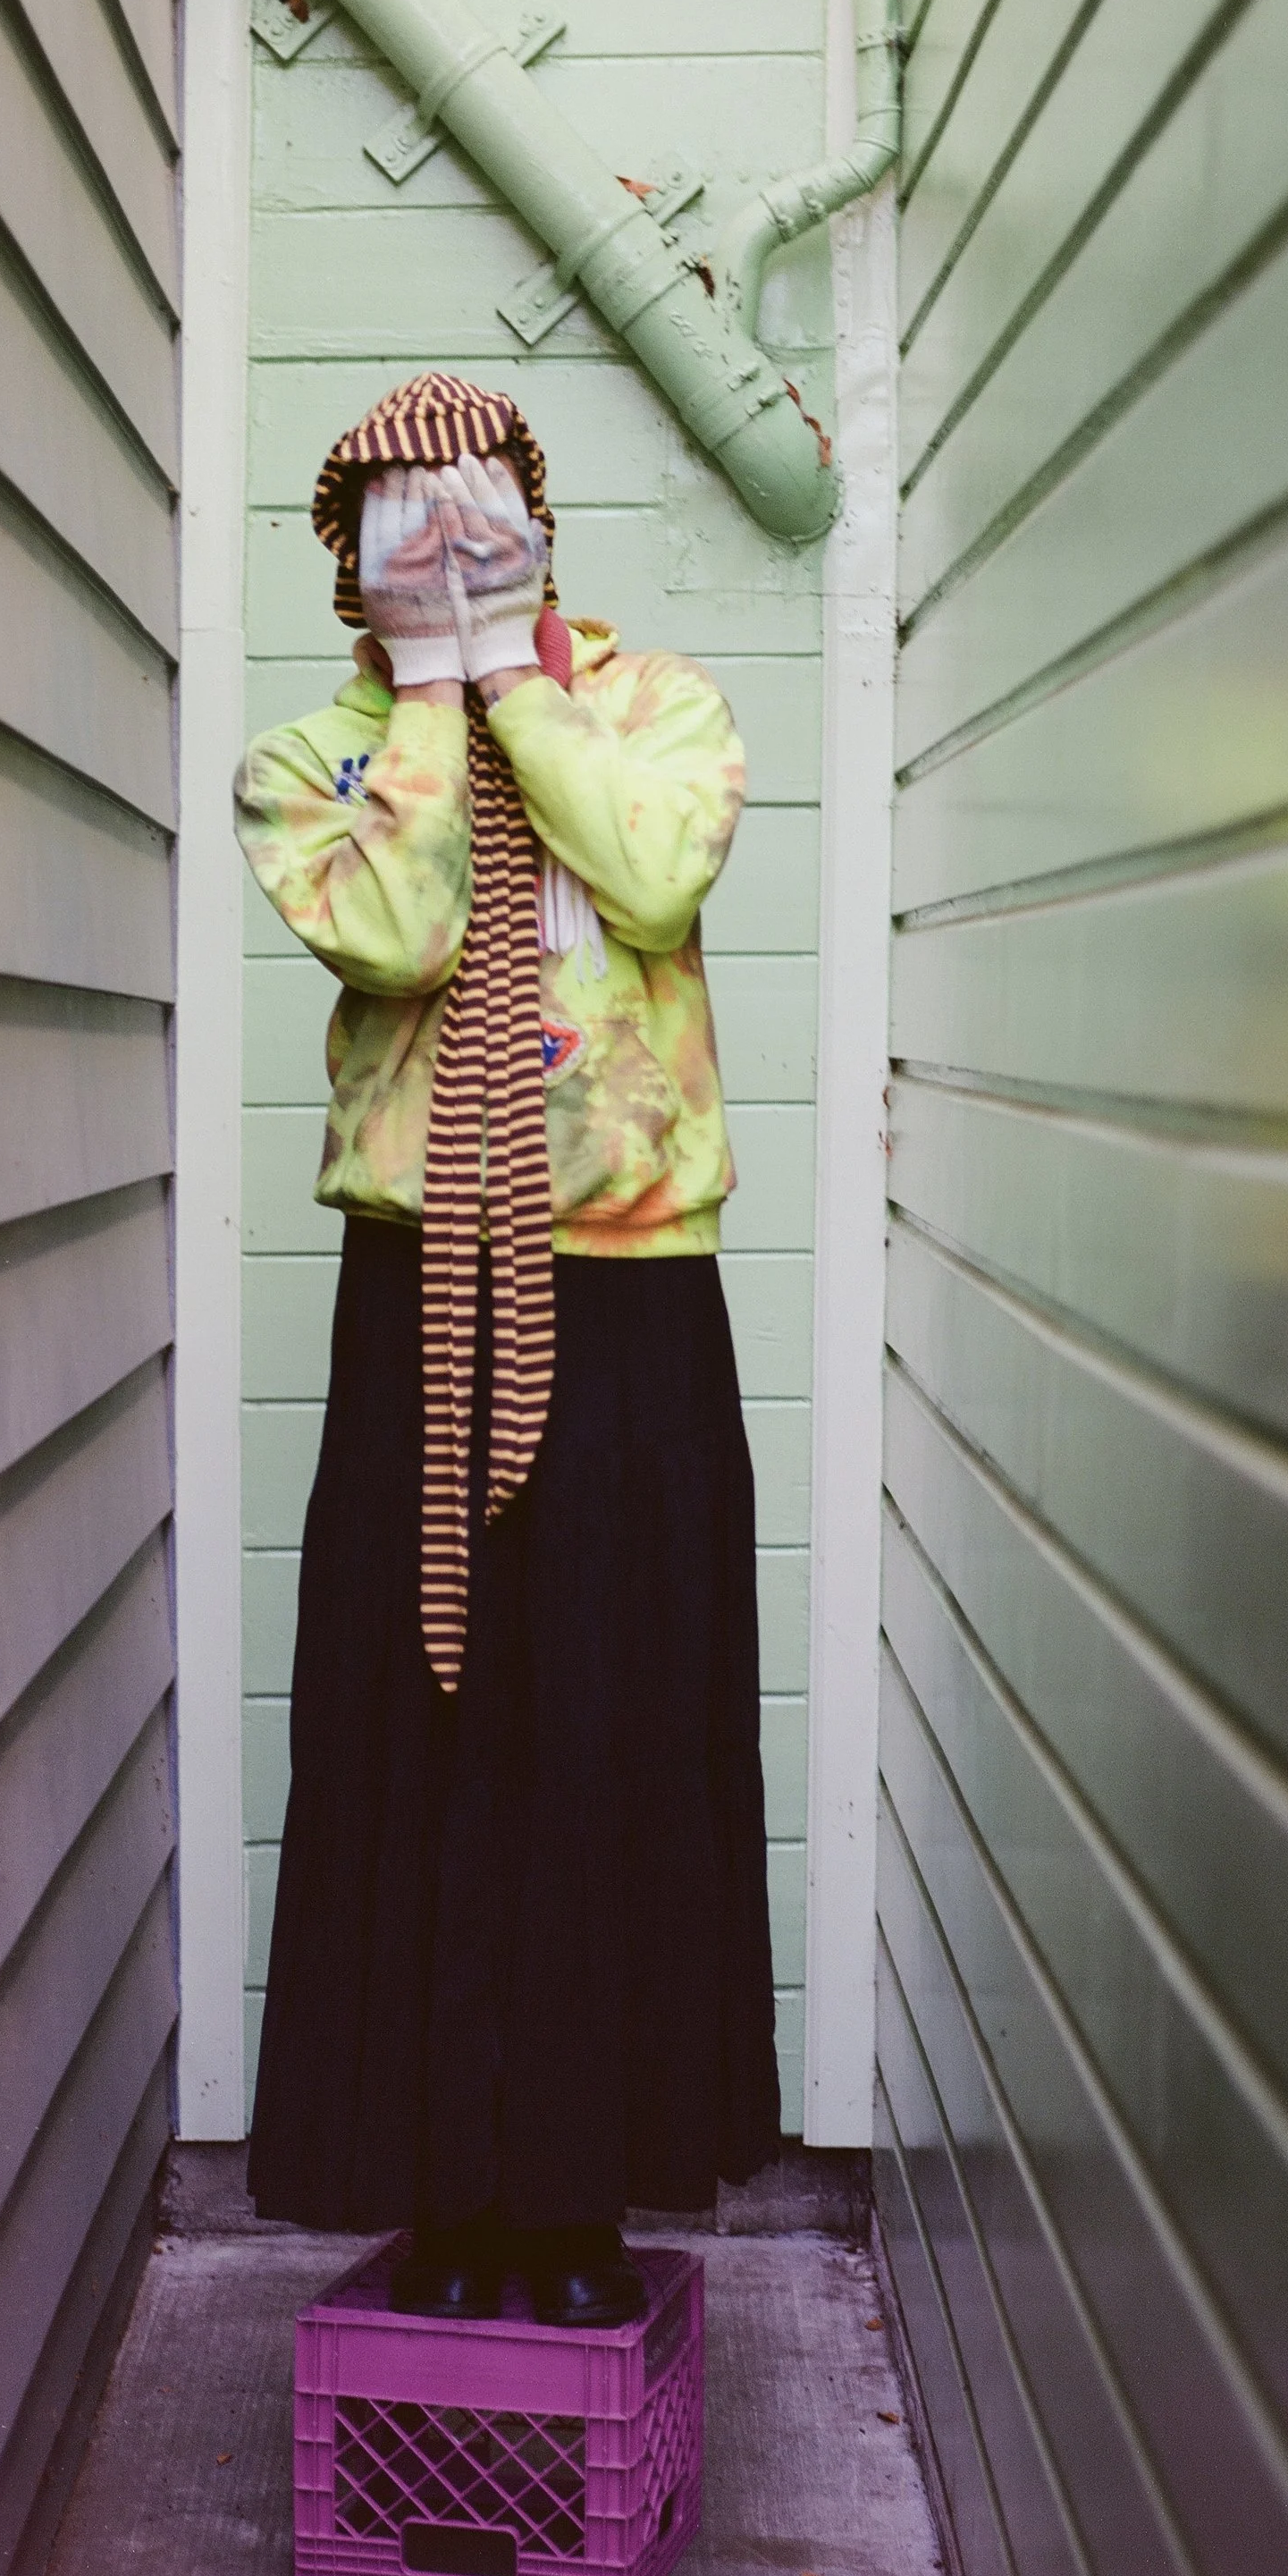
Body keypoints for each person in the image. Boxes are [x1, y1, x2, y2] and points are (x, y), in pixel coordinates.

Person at [234, 371, 779, 2328]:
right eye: (400, 527)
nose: (448, 546)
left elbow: (648, 876)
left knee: (607, 1722)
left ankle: (585, 2207)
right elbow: (389, 935)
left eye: (476, 515)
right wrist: (430, 690)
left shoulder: (661, 708)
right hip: (418, 1297)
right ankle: (444, 2202)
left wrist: (517, 674)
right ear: (342, 567)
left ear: (541, 521)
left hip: (626, 1281)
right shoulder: (313, 757)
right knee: (430, 1736)